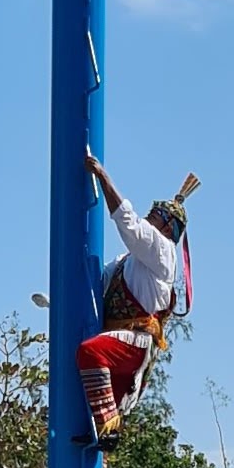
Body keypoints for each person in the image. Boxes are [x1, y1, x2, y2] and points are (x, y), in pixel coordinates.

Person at [77, 156, 197, 450]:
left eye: (155, 215)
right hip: (116, 338)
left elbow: (129, 225)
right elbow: (95, 288)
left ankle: (106, 432)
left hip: (135, 342)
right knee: (94, 423)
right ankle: (100, 436)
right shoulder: (124, 263)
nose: (149, 216)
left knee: (90, 353)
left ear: (168, 227)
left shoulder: (164, 251)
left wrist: (103, 177)